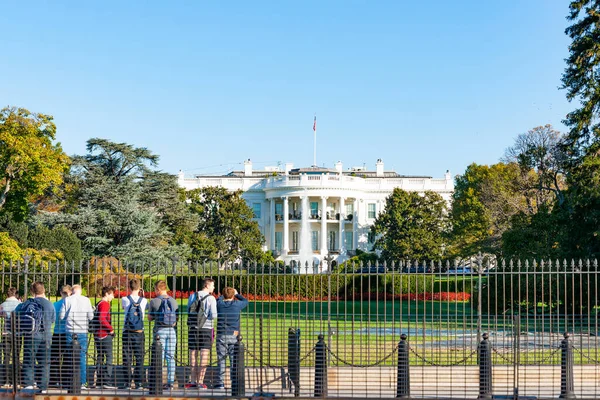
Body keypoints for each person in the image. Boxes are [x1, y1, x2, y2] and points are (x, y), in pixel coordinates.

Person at [16, 282, 55, 393]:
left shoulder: (28, 303)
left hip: (31, 335)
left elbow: (16, 314)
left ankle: (28, 384)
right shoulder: (49, 304)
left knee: (29, 359)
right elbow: (53, 319)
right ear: (44, 290)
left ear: (32, 291)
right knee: (45, 362)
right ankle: (43, 387)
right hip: (46, 336)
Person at [60, 284, 94, 390]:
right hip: (82, 331)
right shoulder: (86, 300)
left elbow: (61, 316)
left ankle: (71, 381)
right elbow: (91, 316)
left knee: (70, 357)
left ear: (72, 291)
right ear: (80, 291)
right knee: (82, 357)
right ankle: (82, 382)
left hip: (70, 330)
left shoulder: (67, 300)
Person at [214, 287, 248, 390]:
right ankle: (235, 381)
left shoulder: (219, 304)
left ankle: (220, 383)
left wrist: (223, 295)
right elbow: (246, 301)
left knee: (221, 359)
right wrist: (237, 294)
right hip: (234, 335)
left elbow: (217, 299)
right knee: (234, 360)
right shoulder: (237, 304)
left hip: (221, 334)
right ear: (233, 295)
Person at [185, 278, 217, 389]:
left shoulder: (192, 296)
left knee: (193, 354)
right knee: (204, 354)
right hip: (206, 329)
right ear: (207, 285)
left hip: (193, 328)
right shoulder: (211, 298)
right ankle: (200, 381)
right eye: (213, 285)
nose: (214, 288)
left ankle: (192, 380)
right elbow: (213, 315)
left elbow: (188, 311)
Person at [147, 280, 177, 390]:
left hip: (160, 331)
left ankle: (157, 380)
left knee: (159, 357)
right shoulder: (173, 301)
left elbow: (150, 318)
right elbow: (176, 318)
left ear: (158, 289)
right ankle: (170, 382)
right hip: (171, 331)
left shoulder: (154, 301)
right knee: (171, 357)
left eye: (155, 289)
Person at [121, 279, 147, 390]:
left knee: (127, 358)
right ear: (139, 287)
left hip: (127, 332)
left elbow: (123, 308)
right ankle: (139, 383)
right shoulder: (144, 300)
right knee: (139, 358)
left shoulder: (124, 299)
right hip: (139, 332)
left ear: (129, 287)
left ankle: (127, 382)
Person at [49, 285, 71, 388]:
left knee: (55, 358)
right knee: (66, 358)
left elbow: (52, 319)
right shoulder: (71, 303)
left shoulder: (55, 304)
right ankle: (66, 380)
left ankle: (54, 380)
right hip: (67, 333)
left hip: (57, 333)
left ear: (61, 293)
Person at [94, 286, 115, 389]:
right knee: (109, 357)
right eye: (112, 294)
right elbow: (102, 318)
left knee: (100, 357)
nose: (113, 297)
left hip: (97, 334)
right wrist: (110, 329)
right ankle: (107, 381)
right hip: (104, 334)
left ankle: (99, 381)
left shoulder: (98, 303)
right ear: (107, 294)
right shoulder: (105, 304)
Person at [0, 287, 21, 386]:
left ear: (7, 295)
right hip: (17, 334)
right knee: (16, 357)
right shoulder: (20, 305)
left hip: (6, 333)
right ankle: (16, 380)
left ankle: (6, 380)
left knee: (6, 357)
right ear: (15, 294)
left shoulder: (3, 305)